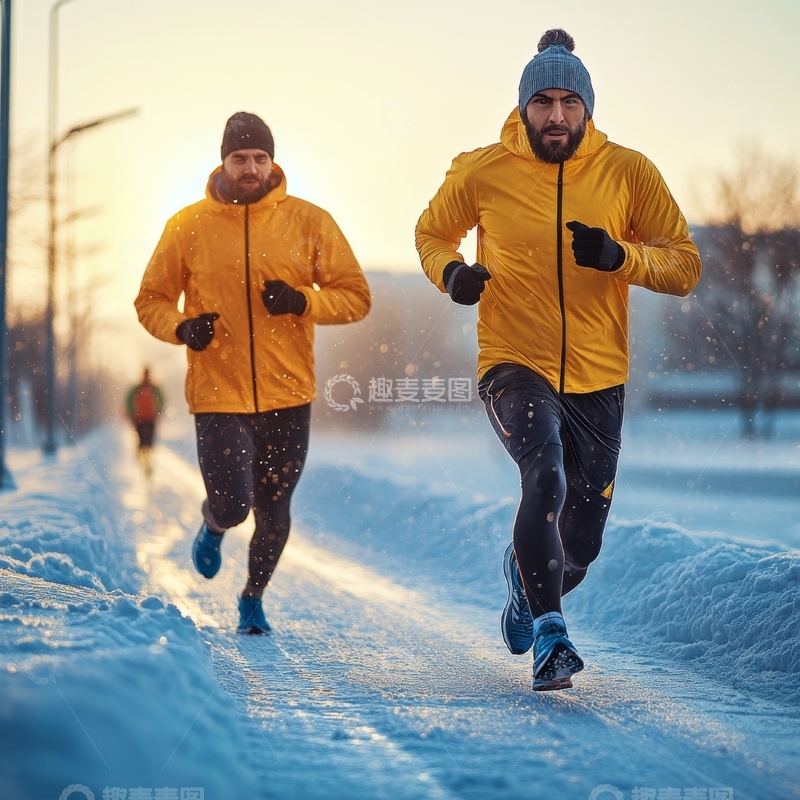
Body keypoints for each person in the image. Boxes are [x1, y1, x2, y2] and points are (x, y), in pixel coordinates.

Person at [416, 30, 701, 691]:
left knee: (583, 540)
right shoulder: (483, 169)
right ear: (523, 107)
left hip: (600, 375)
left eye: (569, 102)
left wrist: (621, 258)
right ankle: (550, 634)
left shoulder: (629, 172)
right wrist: (451, 273)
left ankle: (525, 586)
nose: (555, 116)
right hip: (514, 360)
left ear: (587, 108)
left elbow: (685, 264)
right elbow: (432, 233)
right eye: (542, 102)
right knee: (544, 474)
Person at [135, 112, 371, 634]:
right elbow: (150, 300)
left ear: (272, 161)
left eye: (260, 158)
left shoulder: (310, 222)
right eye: (240, 158)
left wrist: (301, 301)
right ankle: (214, 523)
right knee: (234, 502)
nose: (251, 168)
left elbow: (356, 297)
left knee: (274, 508)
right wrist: (182, 328)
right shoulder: (187, 226)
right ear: (223, 161)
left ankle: (252, 597)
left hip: (290, 392)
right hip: (219, 391)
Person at [124, 367, 164, 476]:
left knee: (143, 443)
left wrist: (131, 414)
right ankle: (146, 464)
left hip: (141, 419)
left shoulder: (137, 388)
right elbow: (162, 400)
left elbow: (127, 401)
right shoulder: (155, 388)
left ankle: (145, 463)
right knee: (147, 443)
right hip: (148, 419)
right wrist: (158, 412)